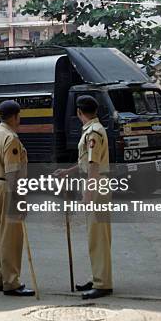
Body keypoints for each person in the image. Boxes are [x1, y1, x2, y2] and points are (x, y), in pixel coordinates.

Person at [54, 96, 112, 300]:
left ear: (79, 112)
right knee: (95, 236)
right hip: (96, 182)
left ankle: (103, 283)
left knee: (98, 237)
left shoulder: (93, 132)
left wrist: (88, 193)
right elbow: (87, 162)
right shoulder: (92, 130)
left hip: (97, 184)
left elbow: (94, 166)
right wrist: (68, 172)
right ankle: (99, 278)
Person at [0, 100, 35, 297]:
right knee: (11, 237)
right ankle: (11, 281)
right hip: (8, 187)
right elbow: (13, 172)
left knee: (1, 233)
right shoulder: (11, 138)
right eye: (19, 116)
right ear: (14, 116)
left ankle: (0, 277)